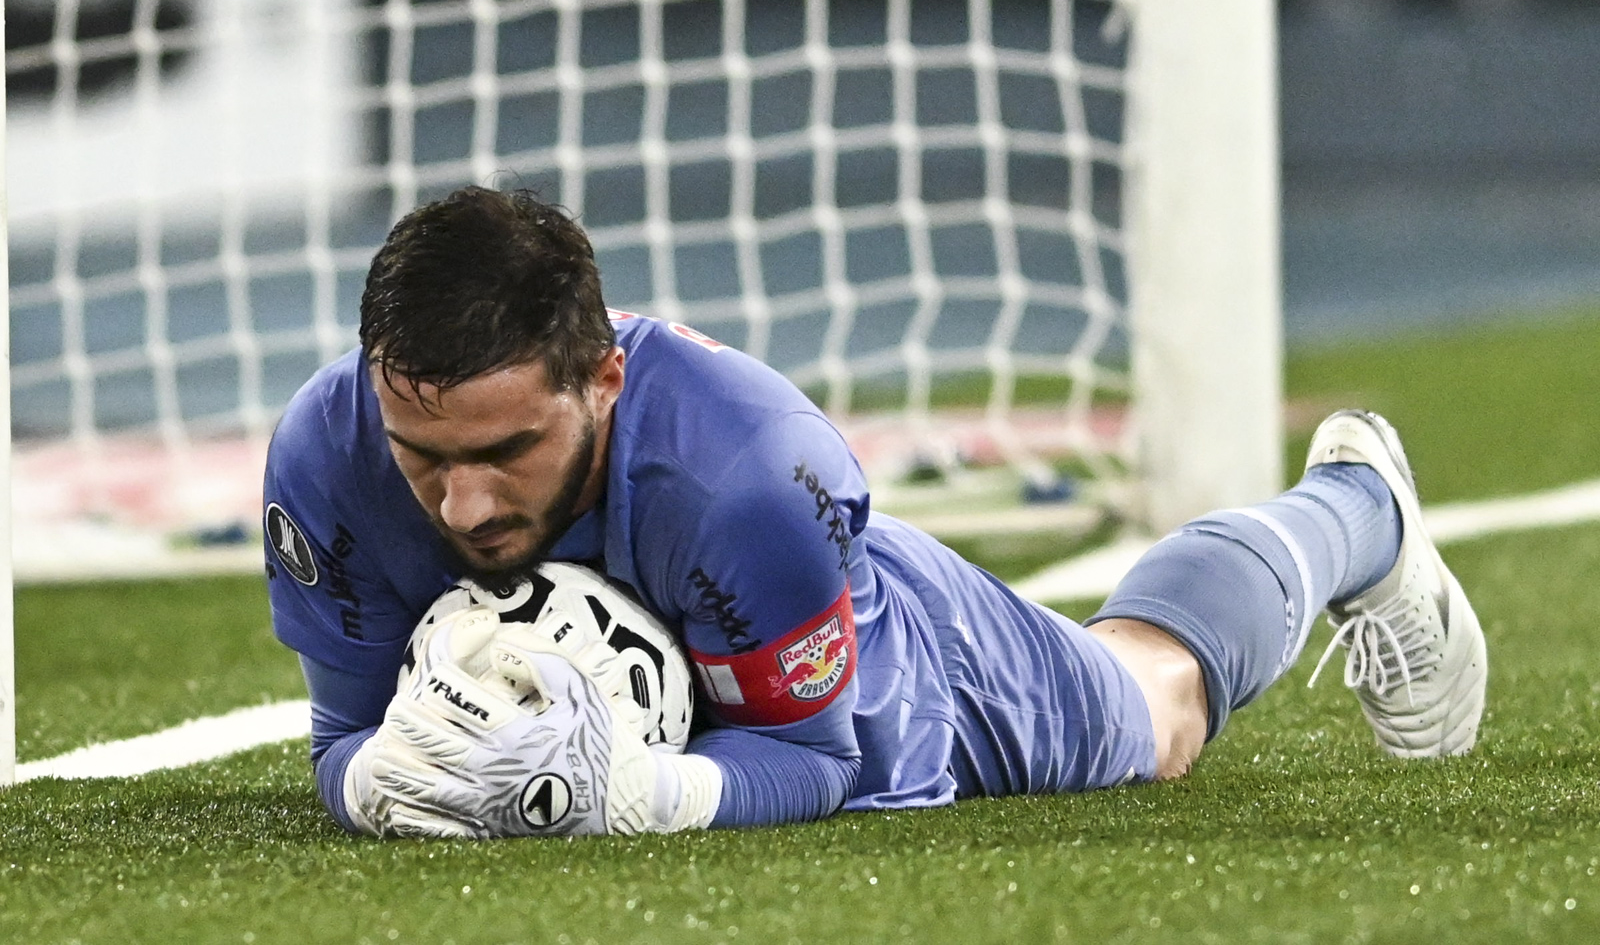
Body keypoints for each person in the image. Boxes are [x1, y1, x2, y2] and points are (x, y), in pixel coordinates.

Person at [263, 186, 1487, 838]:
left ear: (604, 378)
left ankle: (1358, 503)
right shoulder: (327, 462)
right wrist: (385, 783)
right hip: (716, 612)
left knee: (1154, 708)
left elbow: (815, 757)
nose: (463, 501)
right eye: (423, 454)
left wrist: (639, 796)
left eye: (508, 451)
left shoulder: (747, 476)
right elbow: (349, 736)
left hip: (865, 642)